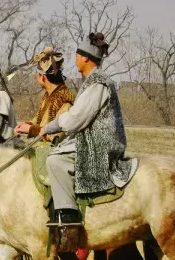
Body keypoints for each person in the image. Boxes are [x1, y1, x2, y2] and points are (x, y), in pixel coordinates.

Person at [40, 33, 137, 237]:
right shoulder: (92, 81)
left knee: (55, 162)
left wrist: (49, 127)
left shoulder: (98, 83)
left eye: (77, 55)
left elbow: (76, 119)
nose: (74, 59)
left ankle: (68, 215)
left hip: (101, 143)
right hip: (91, 138)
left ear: (85, 58)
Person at [15, 48, 76, 141]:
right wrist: (28, 125)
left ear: (43, 77)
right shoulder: (48, 97)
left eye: (37, 74)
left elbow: (57, 137)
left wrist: (31, 130)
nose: (36, 76)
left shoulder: (65, 101)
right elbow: (38, 121)